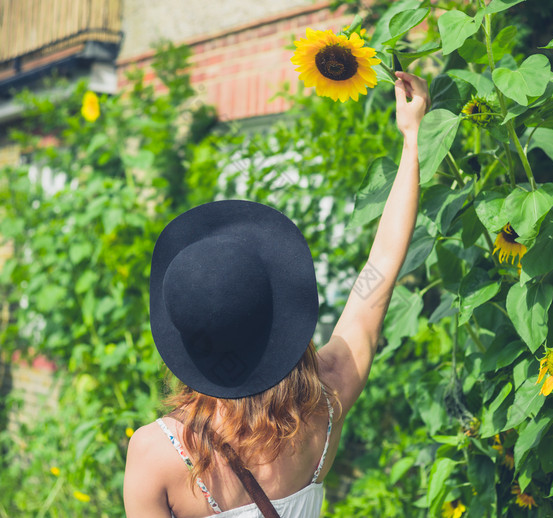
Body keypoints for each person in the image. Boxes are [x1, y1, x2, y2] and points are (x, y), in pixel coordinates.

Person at [123, 71, 429, 518]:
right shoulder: (328, 398)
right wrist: (412, 138)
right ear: (277, 317)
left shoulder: (158, 455)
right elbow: (379, 272)